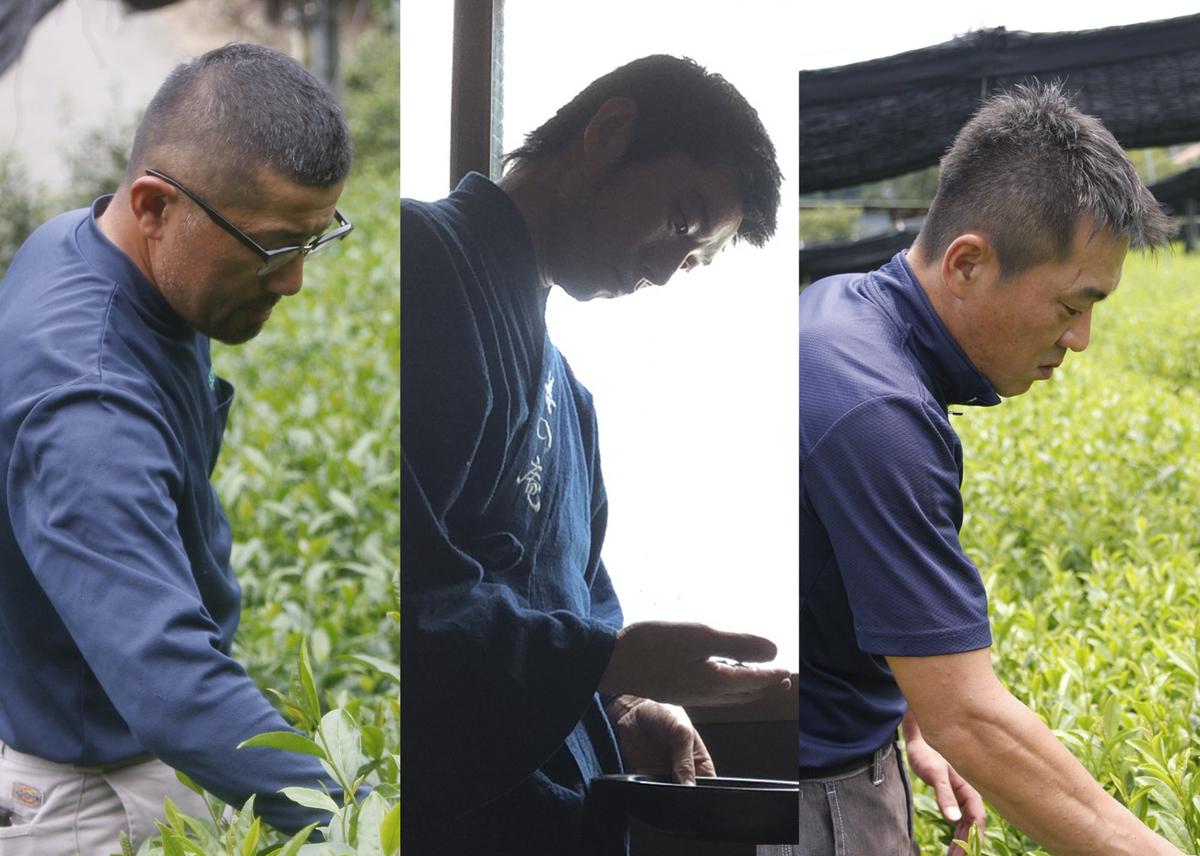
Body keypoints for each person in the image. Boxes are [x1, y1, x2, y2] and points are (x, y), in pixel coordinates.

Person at [401, 54, 789, 854]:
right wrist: (601, 662)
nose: (661, 271)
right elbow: (398, 593)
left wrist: (622, 704)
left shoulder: (568, 395)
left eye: (690, 263)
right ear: (609, 133)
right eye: (682, 222)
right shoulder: (422, 261)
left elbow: (575, 612)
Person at [791, 81, 1179, 856]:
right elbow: (972, 715)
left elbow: (835, 584)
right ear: (967, 263)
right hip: (815, 801)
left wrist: (913, 720)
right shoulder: (880, 417)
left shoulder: (839, 312)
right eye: (1072, 306)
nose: (1082, 340)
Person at [0, 43, 356, 853]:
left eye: (314, 238)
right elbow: (172, 689)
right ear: (154, 205)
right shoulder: (86, 405)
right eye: (273, 246)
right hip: (90, 800)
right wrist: (362, 817)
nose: (295, 279)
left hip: (128, 746)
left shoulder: (87, 243)